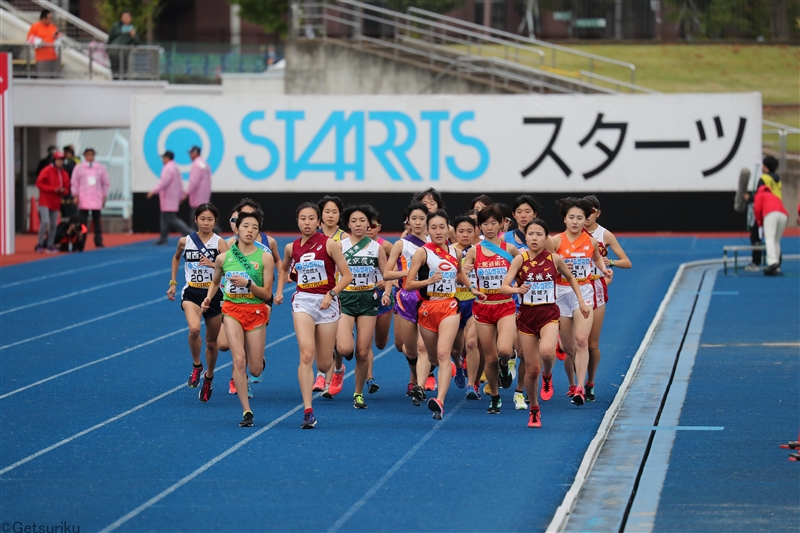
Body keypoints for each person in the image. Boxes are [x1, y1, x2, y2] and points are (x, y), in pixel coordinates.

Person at [501, 218, 587, 428]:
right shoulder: (519, 260)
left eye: (539, 234)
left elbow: (571, 278)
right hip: (526, 318)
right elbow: (504, 286)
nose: (534, 238)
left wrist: (582, 302)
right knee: (531, 370)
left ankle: (548, 376)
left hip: (548, 313)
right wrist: (516, 290)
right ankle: (534, 410)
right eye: (531, 234)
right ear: (526, 237)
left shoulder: (555, 259)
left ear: (545, 238)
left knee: (548, 352)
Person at [275, 202, 352, 429]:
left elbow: (346, 276)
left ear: (318, 222)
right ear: (297, 221)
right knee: (306, 354)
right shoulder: (291, 247)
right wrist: (279, 290)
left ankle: (336, 369)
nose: (307, 222)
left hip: (327, 303)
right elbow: (284, 268)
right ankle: (308, 410)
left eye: (311, 218)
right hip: (303, 302)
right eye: (303, 218)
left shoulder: (329, 244)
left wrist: (331, 292)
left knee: (324, 362)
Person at [203, 211, 274, 427]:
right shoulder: (224, 258)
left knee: (254, 369)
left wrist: (249, 285)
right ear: (237, 229)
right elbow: (215, 281)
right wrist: (208, 298)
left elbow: (267, 294)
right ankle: (246, 411)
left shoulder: (265, 257)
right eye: (246, 226)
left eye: (254, 227)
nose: (250, 230)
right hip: (231, 311)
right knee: (239, 360)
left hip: (256, 311)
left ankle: (259, 361)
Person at [404, 210, 472, 420]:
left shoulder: (455, 252)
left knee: (443, 353)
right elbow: (408, 283)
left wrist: (473, 288)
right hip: (427, 307)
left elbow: (459, 274)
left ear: (448, 228)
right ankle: (448, 368)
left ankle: (439, 401)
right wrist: (427, 282)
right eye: (433, 228)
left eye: (442, 227)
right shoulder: (422, 253)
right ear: (427, 230)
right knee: (430, 355)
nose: (438, 231)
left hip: (450, 306)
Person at [550, 197, 613, 406]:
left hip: (583, 293)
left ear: (586, 220)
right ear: (565, 220)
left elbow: (595, 258)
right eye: (571, 218)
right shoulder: (556, 241)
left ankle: (580, 387)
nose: (575, 222)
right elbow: (544, 262)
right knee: (569, 348)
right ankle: (566, 370)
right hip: (561, 293)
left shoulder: (591, 241)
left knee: (582, 341)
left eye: (580, 218)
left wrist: (604, 269)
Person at [462, 205, 520, 414]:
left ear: (502, 223)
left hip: (505, 306)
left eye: (493, 223)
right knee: (490, 357)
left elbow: (523, 272)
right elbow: (461, 277)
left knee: (504, 350)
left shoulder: (510, 249)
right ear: (480, 226)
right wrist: (466, 276)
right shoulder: (473, 251)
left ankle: (506, 365)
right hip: (483, 309)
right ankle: (495, 396)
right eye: (484, 224)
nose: (489, 227)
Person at [221, 198, 282, 397]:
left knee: (254, 362)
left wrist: (281, 280)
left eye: (252, 222)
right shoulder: (228, 245)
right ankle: (239, 372)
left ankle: (250, 366)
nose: (247, 226)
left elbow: (278, 263)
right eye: (240, 219)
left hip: (260, 298)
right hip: (233, 299)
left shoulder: (268, 243)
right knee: (224, 344)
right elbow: (221, 270)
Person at [331, 204, 390, 409]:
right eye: (354, 221)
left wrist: (388, 292)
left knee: (363, 352)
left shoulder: (376, 248)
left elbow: (387, 274)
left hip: (367, 300)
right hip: (345, 300)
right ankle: (342, 346)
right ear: (348, 224)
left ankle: (357, 393)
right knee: (345, 347)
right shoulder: (339, 246)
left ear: (369, 224)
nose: (358, 224)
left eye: (362, 221)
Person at [169, 204, 228, 403]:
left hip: (214, 295)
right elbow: (176, 258)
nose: (206, 223)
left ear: (215, 222)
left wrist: (214, 265)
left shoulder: (220, 243)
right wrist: (173, 282)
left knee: (212, 343)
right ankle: (196, 365)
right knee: (194, 329)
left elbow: (231, 267)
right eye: (202, 218)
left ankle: (209, 378)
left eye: (210, 219)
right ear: (196, 219)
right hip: (192, 292)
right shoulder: (185, 241)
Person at [583, 195, 631, 401]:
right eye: (581, 213)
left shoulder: (605, 235)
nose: (585, 217)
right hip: (572, 290)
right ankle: (575, 384)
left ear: (597, 213)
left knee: (592, 344)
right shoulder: (570, 234)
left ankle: (590, 383)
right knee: (576, 343)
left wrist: (609, 262)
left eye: (590, 212)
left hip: (596, 289)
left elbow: (626, 262)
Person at [385, 202, 430, 404]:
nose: (418, 222)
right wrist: (409, 273)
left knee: (423, 347)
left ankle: (420, 386)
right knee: (409, 348)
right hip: (406, 298)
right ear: (408, 222)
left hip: (429, 297)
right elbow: (387, 273)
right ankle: (415, 374)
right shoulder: (401, 245)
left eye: (422, 218)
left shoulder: (434, 242)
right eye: (414, 219)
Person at [451, 215, 481, 399]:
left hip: (474, 302)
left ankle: (472, 385)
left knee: (471, 343)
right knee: (455, 349)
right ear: (454, 232)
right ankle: (459, 365)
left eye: (469, 231)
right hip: (454, 303)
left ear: (476, 231)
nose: (465, 234)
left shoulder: (481, 251)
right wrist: (459, 276)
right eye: (461, 231)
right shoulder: (448, 252)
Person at [365, 212, 395, 395]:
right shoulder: (349, 246)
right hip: (363, 296)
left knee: (381, 343)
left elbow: (396, 266)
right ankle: (369, 378)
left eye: (373, 225)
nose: (369, 229)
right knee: (365, 342)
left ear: (379, 228)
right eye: (366, 225)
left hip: (383, 296)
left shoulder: (386, 246)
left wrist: (387, 282)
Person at [744, 156, 783, 271]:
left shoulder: (764, 179)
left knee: (756, 236)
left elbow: (760, 196)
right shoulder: (778, 180)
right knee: (775, 239)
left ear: (766, 167)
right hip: (778, 209)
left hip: (766, 210)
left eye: (763, 165)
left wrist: (749, 198)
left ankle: (756, 263)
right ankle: (777, 263)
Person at [147, 151, 192, 245]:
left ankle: (189, 233)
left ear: (167, 158)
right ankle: (163, 238)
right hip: (172, 197)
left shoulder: (167, 168)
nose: (162, 160)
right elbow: (180, 183)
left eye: (163, 158)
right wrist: (180, 196)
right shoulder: (175, 168)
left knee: (171, 218)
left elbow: (164, 182)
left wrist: (153, 190)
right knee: (164, 218)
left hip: (168, 198)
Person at [70, 148, 110, 249]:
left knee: (97, 221)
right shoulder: (79, 168)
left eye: (91, 155)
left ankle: (98, 240)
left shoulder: (100, 168)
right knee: (83, 223)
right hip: (84, 198)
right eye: (88, 155)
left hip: (96, 197)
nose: (90, 157)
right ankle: (81, 240)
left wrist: (104, 196)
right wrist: (75, 195)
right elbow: (74, 182)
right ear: (84, 156)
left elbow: (105, 183)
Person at [35, 151, 69, 254]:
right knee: (45, 221)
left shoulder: (63, 173)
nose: (60, 162)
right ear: (54, 160)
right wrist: (53, 189)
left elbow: (67, 186)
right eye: (58, 160)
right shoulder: (47, 170)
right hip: (45, 200)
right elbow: (39, 183)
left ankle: (50, 244)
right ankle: (39, 244)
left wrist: (63, 191)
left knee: (54, 224)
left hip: (55, 201)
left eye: (62, 160)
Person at [754, 179, 788, 276]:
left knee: (769, 238)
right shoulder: (773, 195)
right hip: (784, 215)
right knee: (776, 240)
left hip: (771, 213)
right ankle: (777, 265)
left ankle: (772, 263)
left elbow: (757, 209)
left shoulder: (759, 195)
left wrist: (759, 223)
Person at [27, 10, 61, 78]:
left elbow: (59, 36)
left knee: (55, 79)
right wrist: (39, 42)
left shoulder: (53, 26)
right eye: (49, 18)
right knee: (44, 78)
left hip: (54, 57)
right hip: (42, 58)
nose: (51, 20)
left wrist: (56, 37)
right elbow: (29, 39)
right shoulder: (35, 26)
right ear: (43, 18)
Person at [107, 10, 139, 79]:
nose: (126, 19)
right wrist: (107, 50)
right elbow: (110, 39)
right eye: (124, 17)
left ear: (131, 18)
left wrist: (133, 36)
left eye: (128, 17)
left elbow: (136, 42)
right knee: (115, 73)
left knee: (125, 73)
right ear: (121, 18)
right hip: (114, 53)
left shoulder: (133, 29)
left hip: (125, 54)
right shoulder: (116, 26)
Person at [186, 146, 212, 226]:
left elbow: (194, 181)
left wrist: (187, 192)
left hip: (197, 196)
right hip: (204, 195)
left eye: (191, 153)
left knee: (196, 218)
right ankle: (214, 230)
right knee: (203, 216)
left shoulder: (196, 165)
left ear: (195, 153)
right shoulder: (205, 164)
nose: (190, 155)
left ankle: (195, 236)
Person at [60, 146, 78, 218]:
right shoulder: (69, 161)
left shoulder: (75, 161)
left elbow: (67, 169)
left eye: (65, 153)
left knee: (71, 206)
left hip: (72, 186)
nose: (64, 155)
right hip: (69, 186)